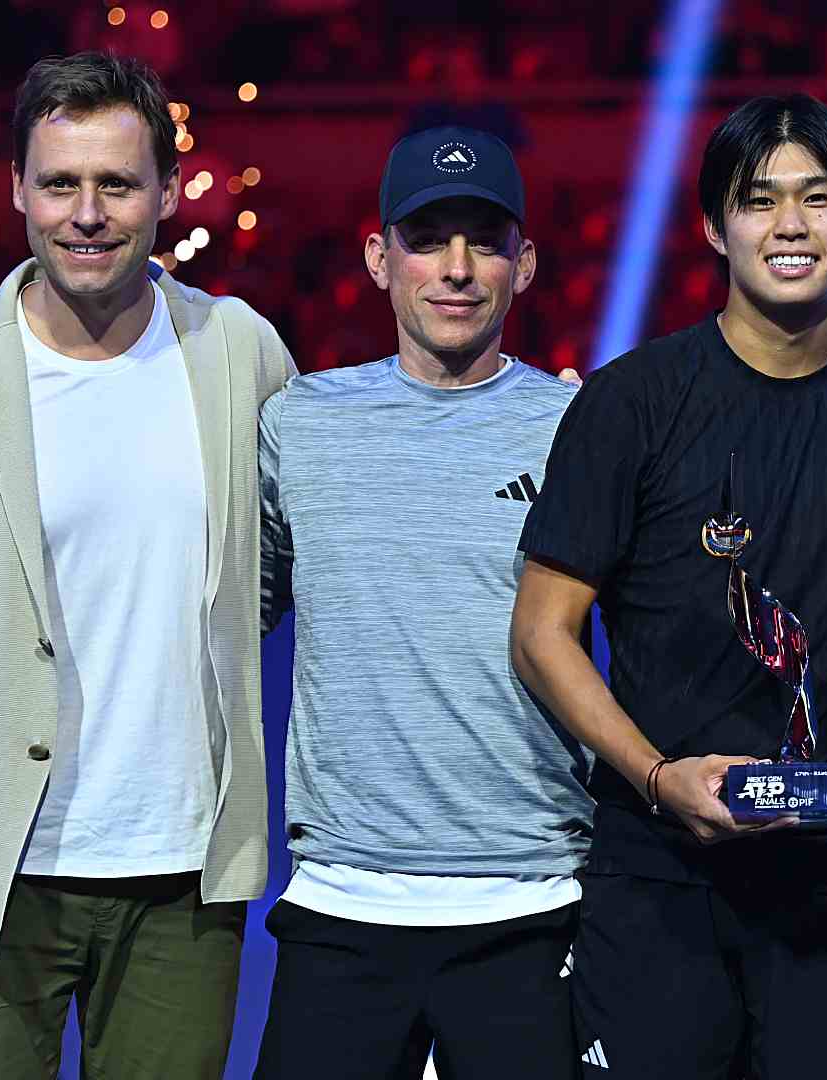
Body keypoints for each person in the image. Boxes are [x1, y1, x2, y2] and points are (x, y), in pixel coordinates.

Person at [0, 52, 295, 1078]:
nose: (87, 214)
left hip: (182, 876)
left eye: (117, 183)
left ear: (167, 191)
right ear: (18, 190)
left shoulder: (238, 351)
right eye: (61, 182)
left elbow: (281, 566)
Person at [509, 93, 827, 1080]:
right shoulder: (632, 400)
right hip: (659, 875)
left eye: (818, 198)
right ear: (711, 226)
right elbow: (541, 633)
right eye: (758, 199)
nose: (790, 225)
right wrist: (657, 778)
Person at [253, 125, 589, 1080]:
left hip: (533, 899)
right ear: (378, 259)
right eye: (427, 239)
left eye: (485, 242)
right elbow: (231, 616)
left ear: (525, 265)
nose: (457, 268)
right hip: (342, 902)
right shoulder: (299, 423)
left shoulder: (580, 426)